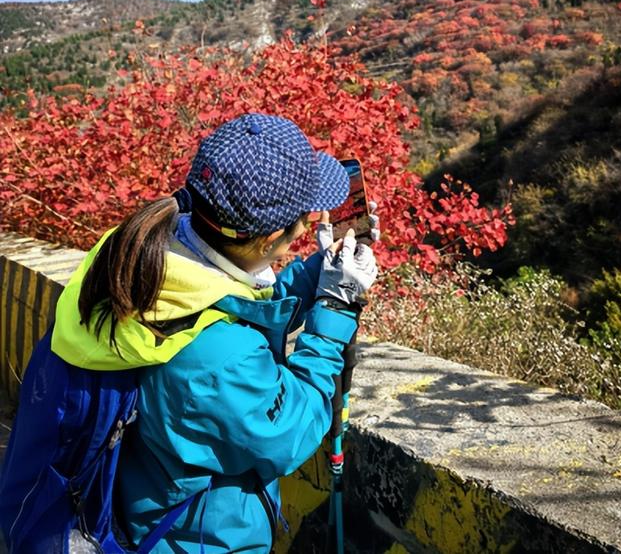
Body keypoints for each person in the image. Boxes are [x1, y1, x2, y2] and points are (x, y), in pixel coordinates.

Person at [49, 112, 379, 553]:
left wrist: (318, 273)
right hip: (195, 540)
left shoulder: (149, 253)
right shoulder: (218, 360)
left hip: (140, 500)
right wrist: (335, 309)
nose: (308, 226)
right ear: (270, 239)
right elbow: (290, 431)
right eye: (303, 220)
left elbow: (233, 307)